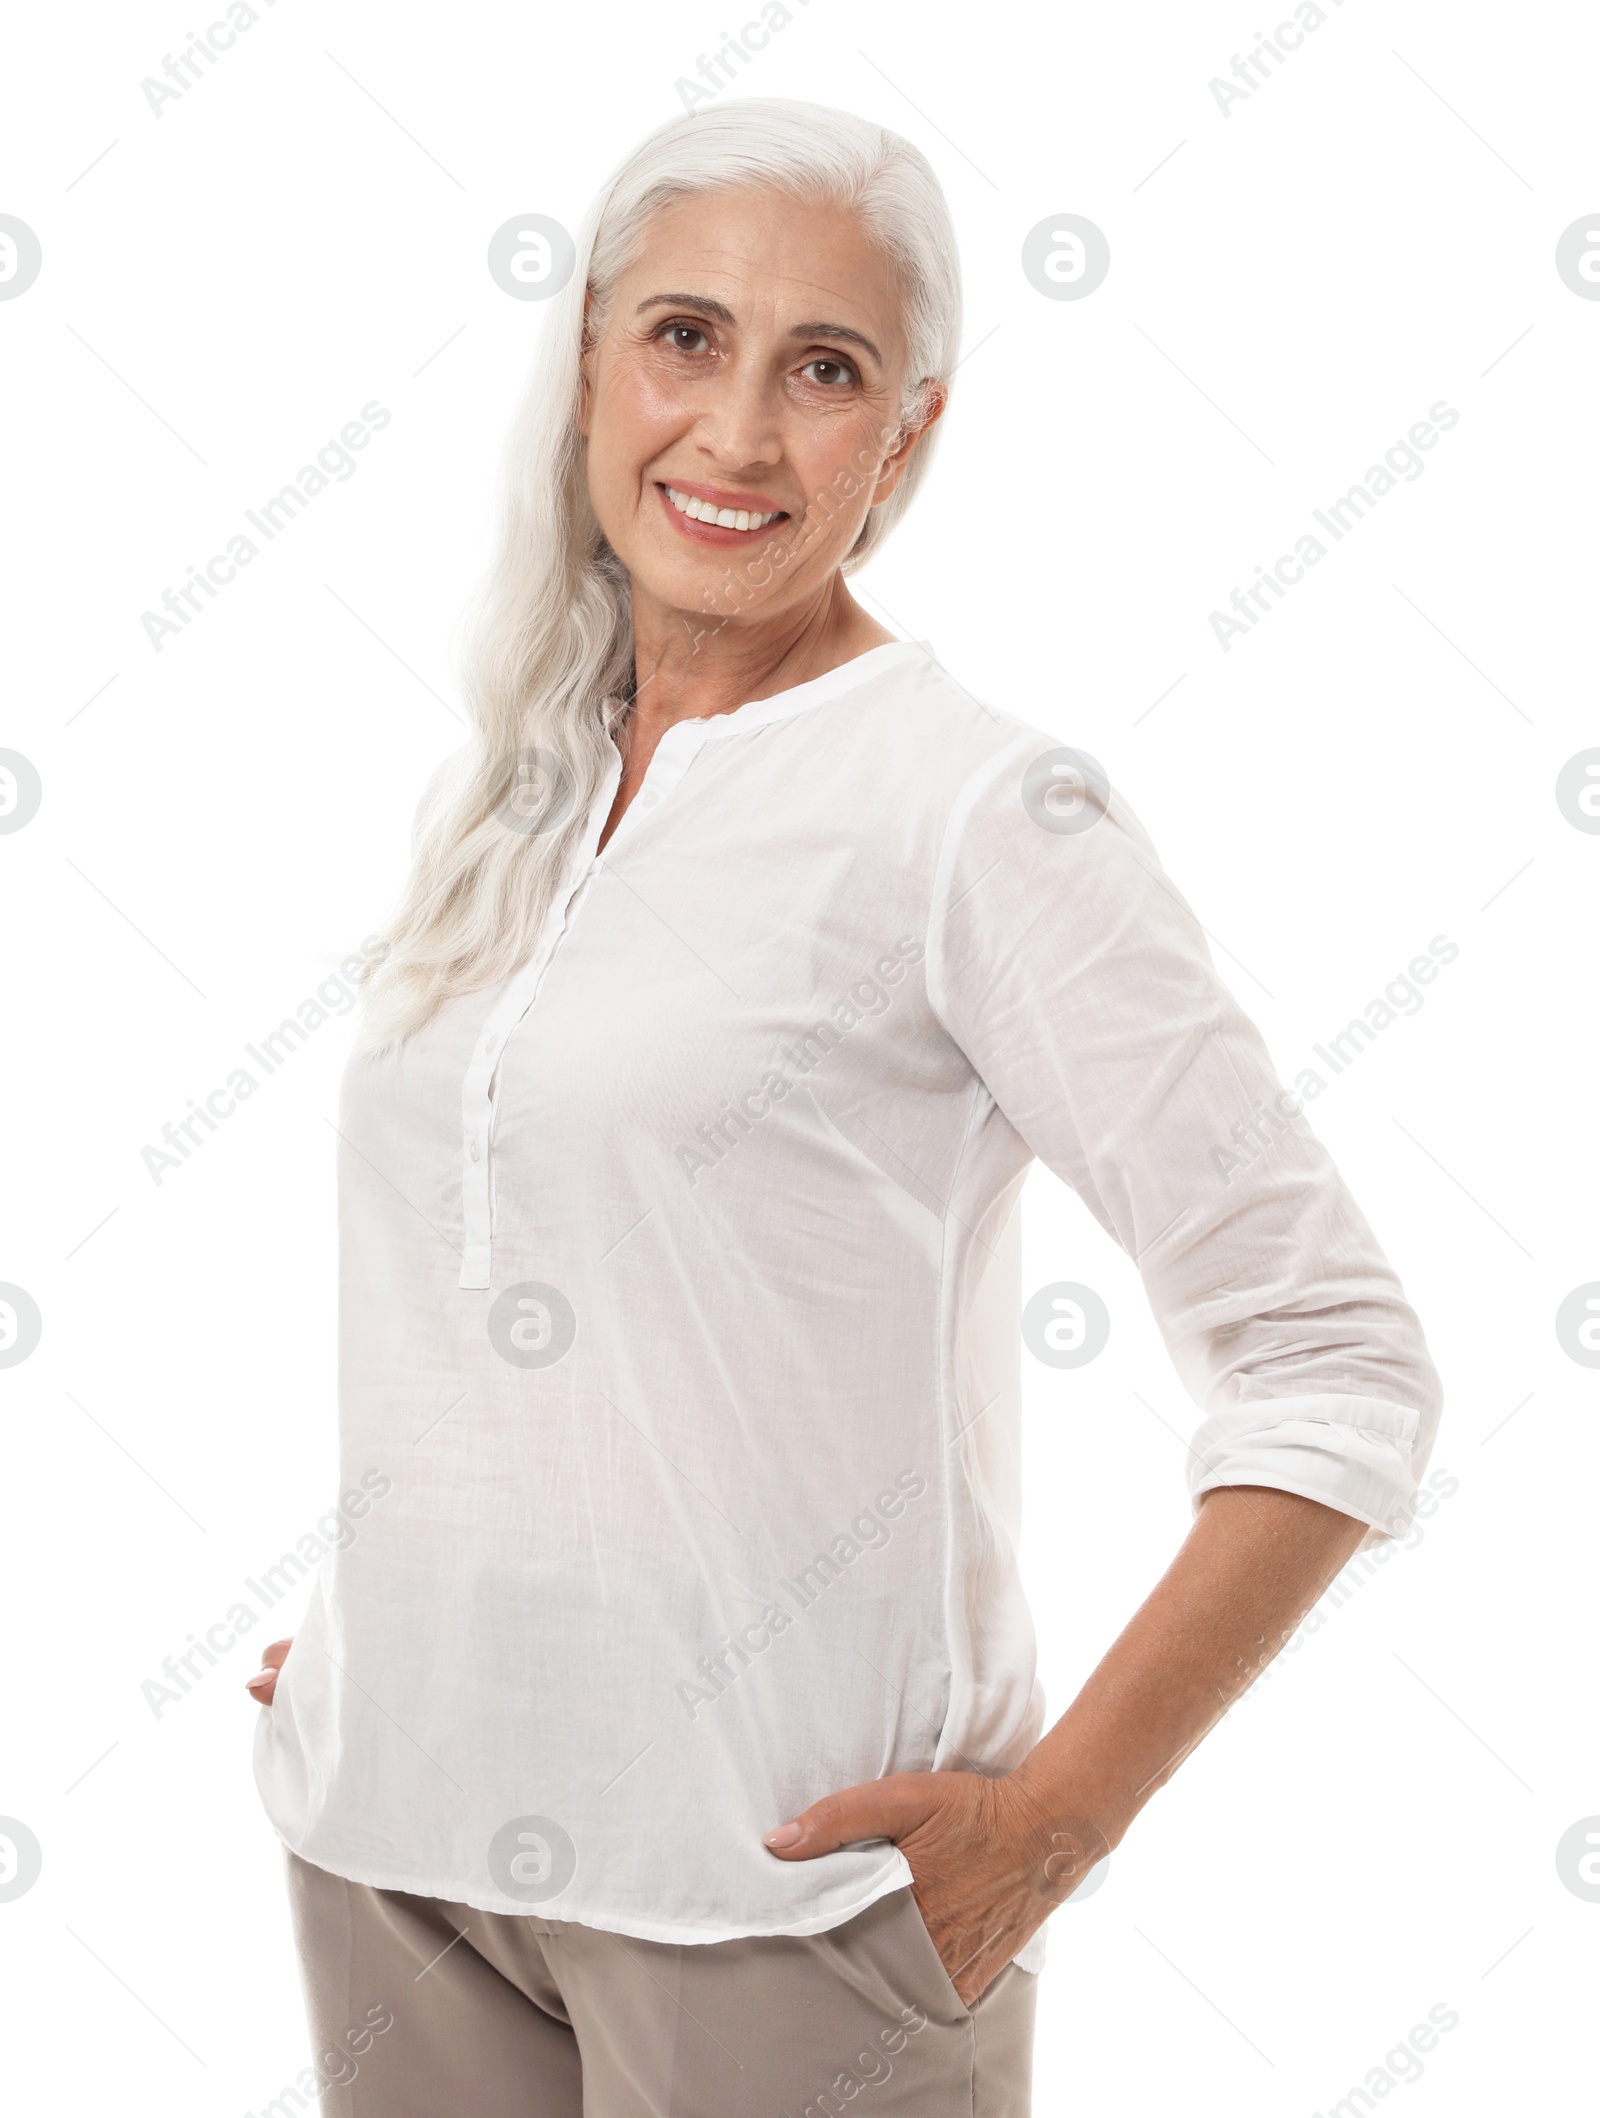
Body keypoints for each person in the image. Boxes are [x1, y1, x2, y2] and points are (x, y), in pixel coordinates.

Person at [246, 99, 1442, 2116]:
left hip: (791, 1909)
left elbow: (1334, 1360)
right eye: (683, 339)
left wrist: (1055, 1824)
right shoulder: (518, 785)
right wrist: (413, 1620)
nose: (731, 433)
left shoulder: (976, 811)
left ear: (909, 434)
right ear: (587, 369)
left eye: (823, 370)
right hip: (394, 1854)